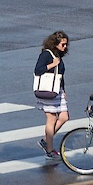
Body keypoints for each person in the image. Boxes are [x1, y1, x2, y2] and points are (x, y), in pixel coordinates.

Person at [35, 31, 69, 159]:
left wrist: (63, 90)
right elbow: (38, 70)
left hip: (57, 90)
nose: (65, 47)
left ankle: (46, 141)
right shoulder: (46, 54)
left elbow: (60, 75)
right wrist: (52, 64)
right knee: (52, 119)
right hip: (47, 90)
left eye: (66, 44)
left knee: (64, 117)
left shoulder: (57, 54)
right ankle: (49, 150)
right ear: (55, 44)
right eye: (63, 44)